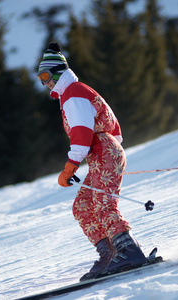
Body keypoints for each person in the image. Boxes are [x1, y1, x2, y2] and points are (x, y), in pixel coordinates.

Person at [37, 41, 147, 281]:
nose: (44, 82)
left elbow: (81, 132)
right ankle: (110, 253)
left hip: (103, 151)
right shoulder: (75, 93)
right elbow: (113, 127)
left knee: (102, 202)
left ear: (57, 73)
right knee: (83, 206)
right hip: (103, 152)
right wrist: (107, 151)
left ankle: (129, 250)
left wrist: (72, 164)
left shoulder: (73, 93)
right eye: (40, 78)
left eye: (45, 75)